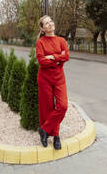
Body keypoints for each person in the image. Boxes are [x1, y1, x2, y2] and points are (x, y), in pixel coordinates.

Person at [36, 15, 69, 150]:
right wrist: (58, 58)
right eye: (46, 23)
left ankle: (43, 129)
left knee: (62, 106)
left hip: (59, 78)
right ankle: (56, 136)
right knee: (47, 108)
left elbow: (66, 56)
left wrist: (52, 57)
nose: (50, 24)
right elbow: (41, 61)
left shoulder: (61, 40)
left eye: (50, 21)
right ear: (43, 29)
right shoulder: (40, 43)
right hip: (44, 78)